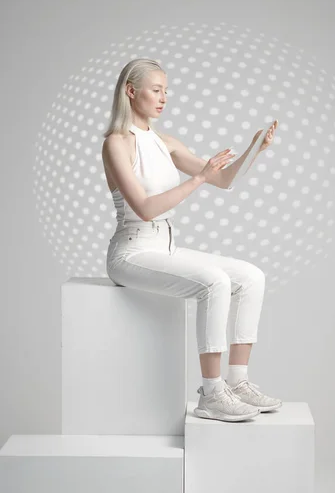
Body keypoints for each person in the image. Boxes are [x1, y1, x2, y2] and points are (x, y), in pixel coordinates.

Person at [102, 58, 282, 422]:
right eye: (156, 90)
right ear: (131, 91)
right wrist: (198, 178)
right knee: (214, 282)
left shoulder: (164, 142)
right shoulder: (115, 144)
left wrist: (253, 150)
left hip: (164, 247)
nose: (164, 97)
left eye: (166, 90)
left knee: (251, 277)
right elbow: (146, 207)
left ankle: (238, 381)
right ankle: (211, 392)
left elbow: (223, 179)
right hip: (131, 252)